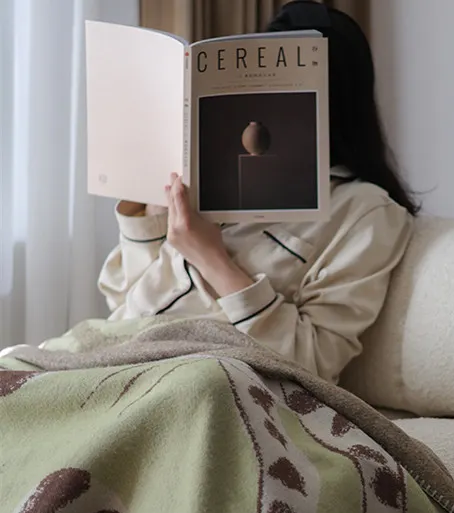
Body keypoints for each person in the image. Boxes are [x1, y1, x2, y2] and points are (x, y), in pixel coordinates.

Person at [98, 0, 418, 384]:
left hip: (204, 377)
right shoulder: (211, 173)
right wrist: (153, 214)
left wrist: (213, 259)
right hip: (114, 354)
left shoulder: (367, 212)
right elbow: (120, 302)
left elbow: (312, 364)